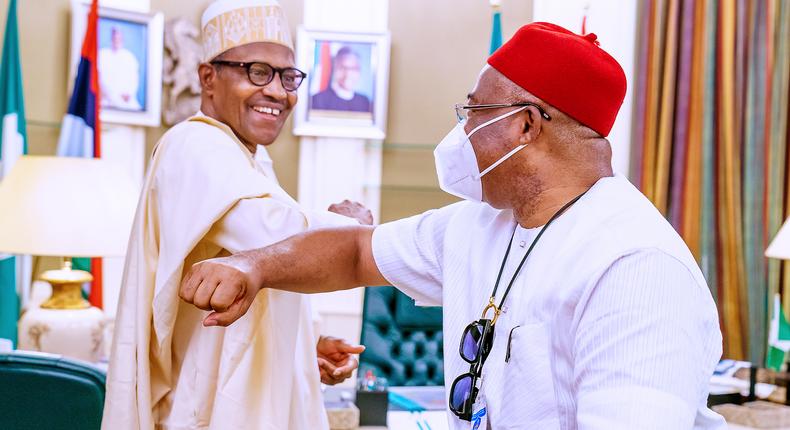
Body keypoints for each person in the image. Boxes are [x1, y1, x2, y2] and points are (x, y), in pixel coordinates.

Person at [180, 22, 727, 429]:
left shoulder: (636, 268)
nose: (459, 135)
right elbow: (353, 252)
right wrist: (252, 266)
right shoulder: (480, 224)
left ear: (524, 126)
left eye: (472, 115)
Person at [102, 1, 371, 429]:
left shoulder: (250, 158)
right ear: (208, 77)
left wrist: (304, 345)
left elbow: (268, 269)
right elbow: (273, 231)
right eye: (257, 72)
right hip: (212, 405)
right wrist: (353, 225)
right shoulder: (193, 143)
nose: (279, 92)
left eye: (288, 76)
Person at [310, 46, 372, 112]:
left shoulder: (364, 101)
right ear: (334, 69)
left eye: (353, 68)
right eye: (342, 68)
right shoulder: (318, 100)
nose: (348, 74)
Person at [99, 26, 142, 110]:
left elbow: (134, 80)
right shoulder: (102, 55)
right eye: (115, 37)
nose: (117, 40)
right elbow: (102, 80)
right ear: (112, 38)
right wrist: (115, 95)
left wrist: (128, 93)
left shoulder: (130, 57)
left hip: (127, 101)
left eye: (119, 38)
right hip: (107, 101)